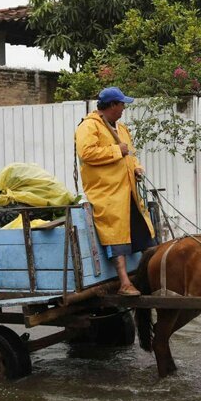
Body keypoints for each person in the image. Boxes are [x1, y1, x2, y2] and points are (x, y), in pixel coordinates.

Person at [75, 87, 156, 296]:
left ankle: (148, 278)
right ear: (112, 105)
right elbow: (87, 152)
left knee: (143, 233)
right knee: (116, 237)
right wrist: (116, 150)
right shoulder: (89, 126)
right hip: (107, 194)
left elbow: (131, 154)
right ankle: (124, 283)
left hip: (127, 190)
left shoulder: (121, 129)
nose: (123, 109)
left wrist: (137, 167)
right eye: (121, 105)